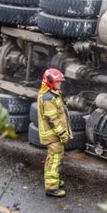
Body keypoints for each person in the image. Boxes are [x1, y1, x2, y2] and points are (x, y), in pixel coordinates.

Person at [38, 68, 72, 197]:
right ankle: (52, 187)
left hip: (54, 135)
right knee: (54, 160)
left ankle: (54, 180)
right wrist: (63, 134)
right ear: (50, 82)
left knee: (53, 158)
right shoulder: (48, 98)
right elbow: (53, 120)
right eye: (58, 82)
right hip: (53, 136)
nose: (60, 84)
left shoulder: (52, 93)